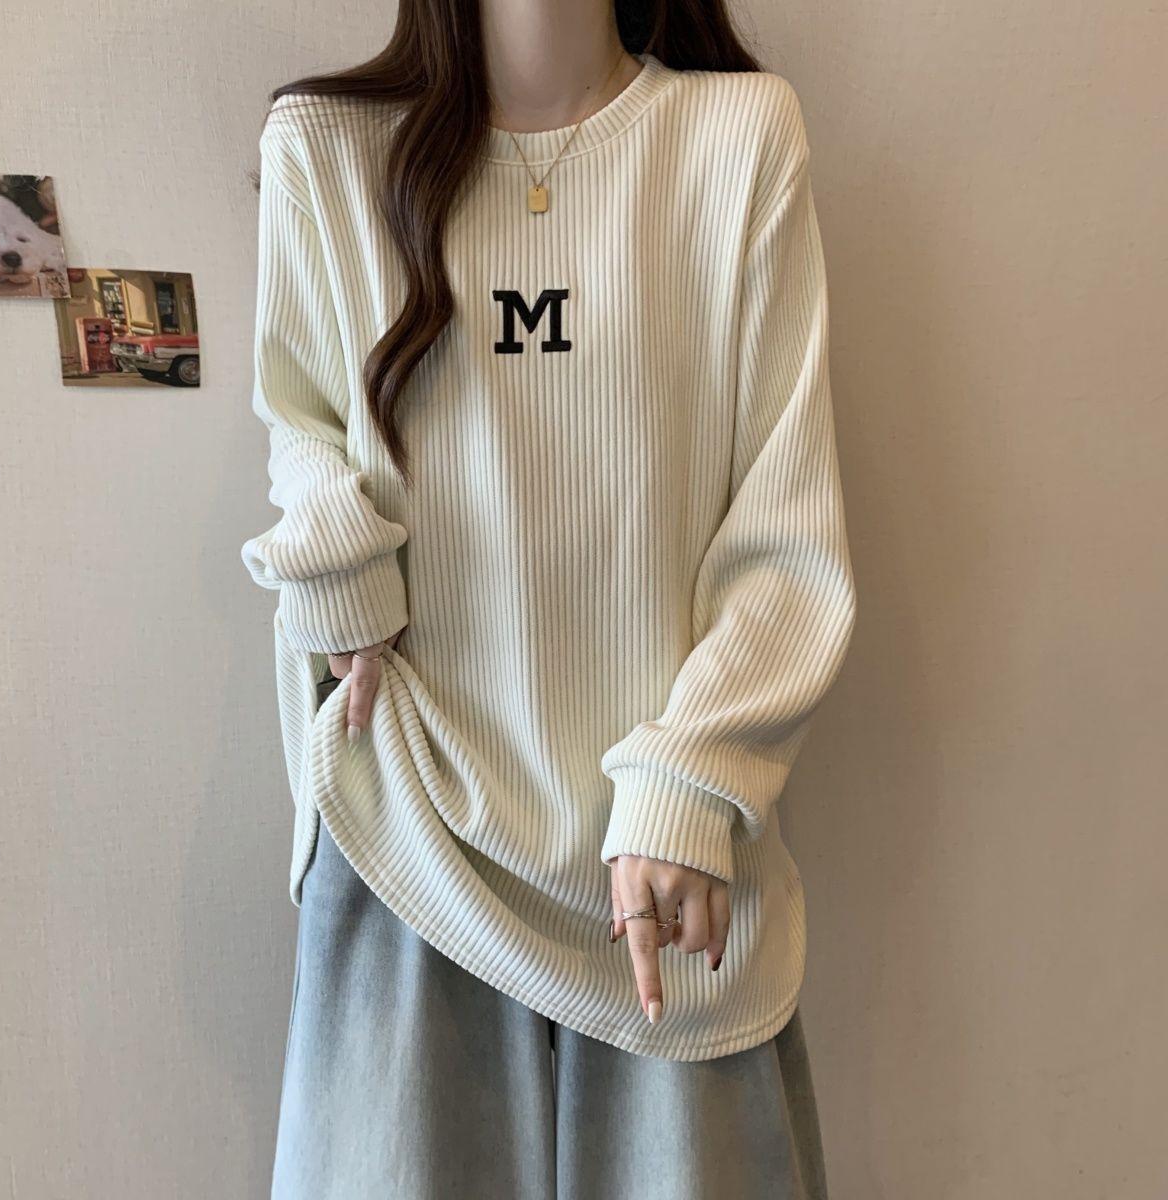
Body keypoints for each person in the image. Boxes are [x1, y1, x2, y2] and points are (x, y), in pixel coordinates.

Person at [239, 2, 857, 1196]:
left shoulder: (737, 136)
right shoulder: (325, 147)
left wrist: (690, 781)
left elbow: (786, 536)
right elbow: (299, 419)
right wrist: (338, 571)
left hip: (672, 869)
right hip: (409, 822)